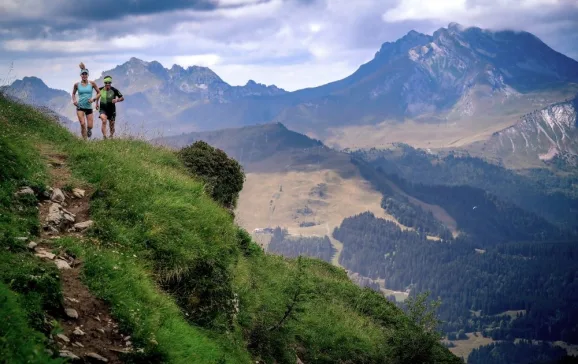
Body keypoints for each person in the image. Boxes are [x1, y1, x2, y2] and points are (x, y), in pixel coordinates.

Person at [71, 62, 100, 140]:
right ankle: (85, 141)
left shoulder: (92, 84)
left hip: (89, 107)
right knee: (82, 123)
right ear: (80, 75)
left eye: (85, 74)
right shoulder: (77, 85)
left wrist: (93, 99)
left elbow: (99, 93)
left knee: (90, 126)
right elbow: (73, 94)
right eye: (82, 74)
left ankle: (89, 130)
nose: (84, 75)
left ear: (88, 75)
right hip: (80, 106)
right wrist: (74, 101)